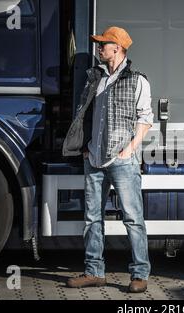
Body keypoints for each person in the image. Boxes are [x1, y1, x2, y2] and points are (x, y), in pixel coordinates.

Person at [66, 26, 153, 293]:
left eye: (103, 44)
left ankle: (139, 274)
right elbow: (85, 114)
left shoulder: (137, 80)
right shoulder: (94, 78)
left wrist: (131, 149)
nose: (99, 48)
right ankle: (94, 272)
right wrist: (84, 148)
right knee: (92, 218)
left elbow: (146, 118)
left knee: (133, 218)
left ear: (117, 48)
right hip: (93, 158)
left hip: (122, 160)